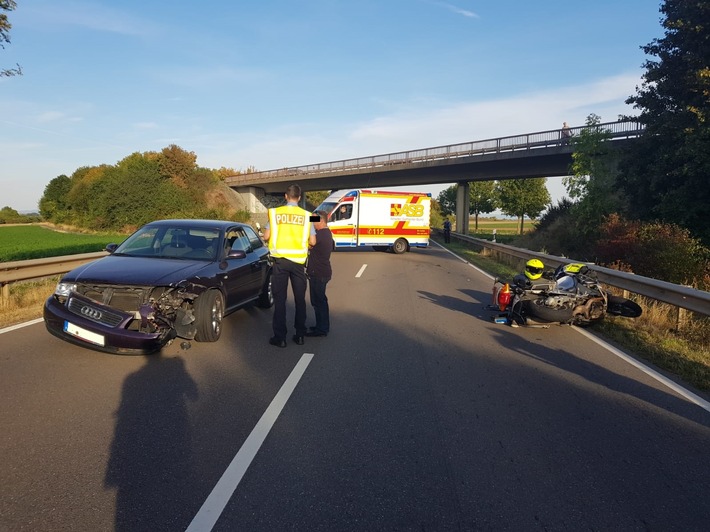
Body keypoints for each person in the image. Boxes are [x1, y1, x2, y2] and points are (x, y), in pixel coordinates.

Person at [262, 184, 316, 348]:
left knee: (280, 300)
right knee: (300, 300)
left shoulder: (274, 213)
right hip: (299, 263)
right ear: (299, 198)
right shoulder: (309, 216)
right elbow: (313, 240)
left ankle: (280, 337)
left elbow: (266, 236)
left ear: (285, 196)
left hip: (280, 262)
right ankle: (300, 335)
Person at [305, 210, 333, 337]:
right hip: (322, 272)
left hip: (319, 273)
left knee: (318, 301)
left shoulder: (320, 234)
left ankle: (321, 329)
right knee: (320, 300)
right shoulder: (326, 233)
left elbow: (310, 243)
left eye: (314, 221)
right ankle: (321, 326)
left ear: (321, 221)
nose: (312, 223)